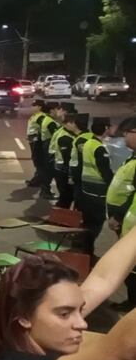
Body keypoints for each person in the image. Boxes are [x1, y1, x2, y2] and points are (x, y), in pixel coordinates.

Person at [0, 254, 136, 360]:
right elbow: (120, 346)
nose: (82, 324)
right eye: (65, 314)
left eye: (80, 310)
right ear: (24, 317)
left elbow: (102, 279)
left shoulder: (28, 334)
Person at [104, 116, 136, 311]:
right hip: (125, 226)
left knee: (131, 269)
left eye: (128, 132)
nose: (124, 136)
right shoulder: (132, 157)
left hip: (130, 227)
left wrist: (117, 216)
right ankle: (132, 301)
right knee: (130, 269)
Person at [79, 117, 113, 255]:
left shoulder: (89, 143)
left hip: (86, 188)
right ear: (105, 129)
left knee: (88, 221)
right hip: (97, 191)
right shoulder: (99, 148)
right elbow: (105, 172)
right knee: (96, 223)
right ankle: (87, 251)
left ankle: (84, 248)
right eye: (108, 127)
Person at [48, 111, 82, 209]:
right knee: (66, 196)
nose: (76, 127)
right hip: (63, 169)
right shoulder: (64, 136)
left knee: (65, 196)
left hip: (59, 166)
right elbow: (67, 158)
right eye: (75, 124)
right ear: (69, 123)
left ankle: (60, 217)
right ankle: (60, 219)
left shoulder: (63, 132)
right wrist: (71, 175)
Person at [69, 114, 93, 210]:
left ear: (75, 124)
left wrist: (72, 176)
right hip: (85, 174)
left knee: (79, 199)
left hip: (80, 174)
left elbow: (79, 160)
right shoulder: (90, 136)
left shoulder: (81, 140)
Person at [38, 102, 60, 200]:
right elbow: (56, 136)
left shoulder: (47, 119)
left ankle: (45, 190)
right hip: (49, 147)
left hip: (46, 146)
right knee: (49, 170)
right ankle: (45, 191)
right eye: (56, 109)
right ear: (51, 110)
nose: (58, 112)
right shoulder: (50, 122)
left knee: (47, 170)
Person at [25, 99, 46, 187]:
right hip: (32, 140)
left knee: (38, 160)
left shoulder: (41, 117)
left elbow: (43, 129)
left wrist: (36, 137)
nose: (32, 107)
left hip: (36, 141)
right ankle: (36, 179)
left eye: (34, 106)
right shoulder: (36, 115)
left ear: (40, 107)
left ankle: (38, 181)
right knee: (36, 160)